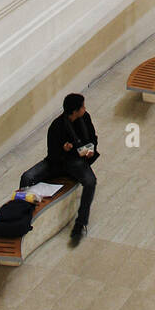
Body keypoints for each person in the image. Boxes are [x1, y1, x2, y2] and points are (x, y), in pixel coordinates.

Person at [19, 93, 99, 243]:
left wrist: (91, 150)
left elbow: (93, 138)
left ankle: (80, 223)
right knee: (27, 177)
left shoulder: (85, 118)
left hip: (77, 162)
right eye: (82, 106)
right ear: (74, 111)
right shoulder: (57, 126)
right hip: (57, 163)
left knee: (90, 182)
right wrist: (65, 150)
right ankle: (21, 216)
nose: (85, 108)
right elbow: (53, 154)